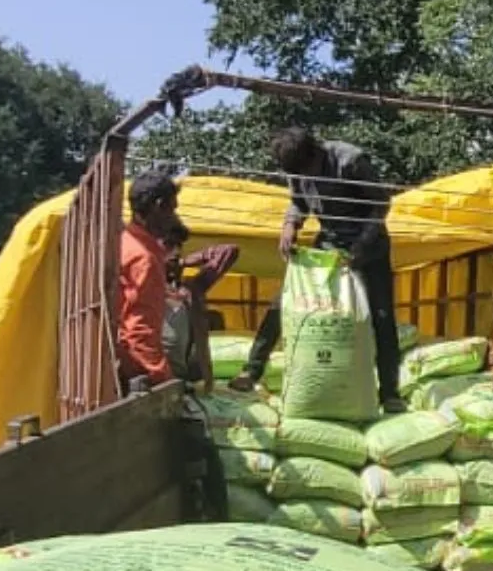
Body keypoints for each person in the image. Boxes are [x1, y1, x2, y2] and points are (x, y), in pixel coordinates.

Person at [230, 127, 405, 412]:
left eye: (307, 169)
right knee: (283, 302)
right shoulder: (297, 167)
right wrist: (290, 225)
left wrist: (360, 247)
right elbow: (298, 202)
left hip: (368, 247)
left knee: (381, 317)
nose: (304, 176)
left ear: (315, 152)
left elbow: (380, 204)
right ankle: (252, 370)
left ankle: (390, 393)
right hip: (328, 243)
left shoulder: (350, 161)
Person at [118, 172, 182, 389]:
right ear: (158, 205)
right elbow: (140, 331)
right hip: (133, 371)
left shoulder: (123, 242)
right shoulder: (144, 258)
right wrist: (163, 379)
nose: (173, 218)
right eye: (172, 209)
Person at [160, 222, 240, 390]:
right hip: (163, 378)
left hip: (193, 378)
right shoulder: (146, 286)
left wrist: (183, 262)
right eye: (168, 245)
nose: (175, 252)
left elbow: (229, 251)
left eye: (178, 246)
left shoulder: (192, 288)